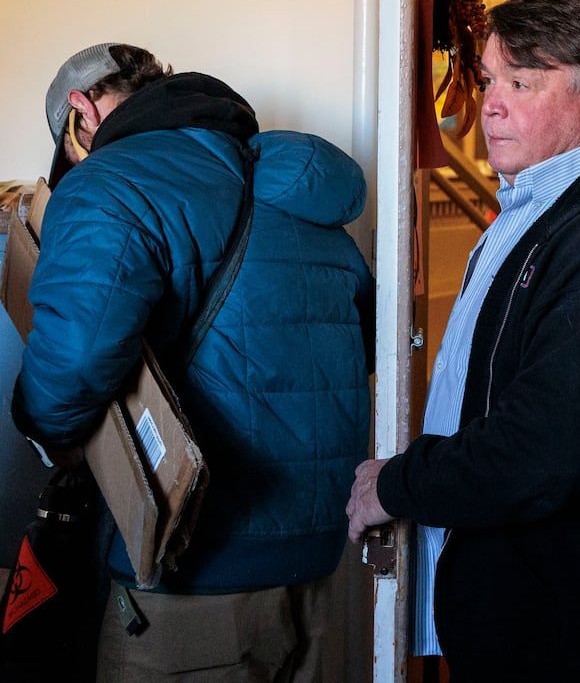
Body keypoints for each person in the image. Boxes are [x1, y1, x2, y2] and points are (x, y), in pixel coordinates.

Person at [344, 0, 580, 682]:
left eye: (521, 81)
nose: (491, 102)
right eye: (489, 79)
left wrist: (401, 482)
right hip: (533, 608)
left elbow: (544, 445)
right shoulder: (541, 204)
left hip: (578, 626)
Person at [12, 43, 375, 681]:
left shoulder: (111, 181)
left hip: (193, 576)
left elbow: (74, 360)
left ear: (81, 113)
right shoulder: (299, 185)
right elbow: (361, 344)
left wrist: (46, 436)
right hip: (317, 571)